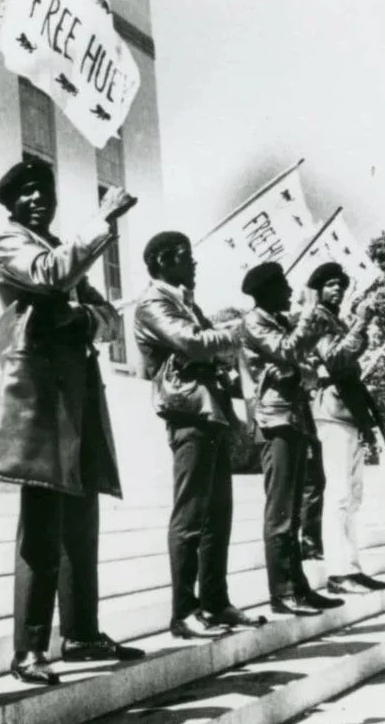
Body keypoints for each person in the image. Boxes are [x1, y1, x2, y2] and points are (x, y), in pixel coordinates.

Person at [0, 161, 144, 686]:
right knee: (42, 527)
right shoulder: (11, 244)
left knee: (81, 524)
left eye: (43, 191)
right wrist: (101, 221)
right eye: (25, 192)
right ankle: (28, 649)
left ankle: (81, 634)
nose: (36, 199)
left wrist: (79, 315)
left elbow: (110, 321)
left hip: (76, 401)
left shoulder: (60, 250)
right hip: (40, 401)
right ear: (11, 204)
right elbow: (51, 275)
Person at [133, 231, 268, 639]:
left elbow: (211, 349)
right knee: (190, 515)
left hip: (210, 414)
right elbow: (192, 342)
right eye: (184, 256)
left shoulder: (185, 303)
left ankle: (215, 601)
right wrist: (238, 332)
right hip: (187, 413)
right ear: (160, 261)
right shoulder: (154, 302)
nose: (193, 263)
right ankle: (183, 611)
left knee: (218, 516)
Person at [240, 261, 343, 616]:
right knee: (281, 509)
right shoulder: (255, 321)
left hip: (295, 417)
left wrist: (298, 367)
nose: (289, 291)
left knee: (295, 509)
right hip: (276, 420)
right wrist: (310, 325)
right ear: (266, 291)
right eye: (283, 285)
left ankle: (298, 587)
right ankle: (282, 591)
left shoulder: (280, 322)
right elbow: (287, 352)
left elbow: (308, 369)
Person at [307, 262, 385, 594]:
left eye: (341, 285)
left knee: (352, 496)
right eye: (331, 285)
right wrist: (361, 321)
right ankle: (339, 573)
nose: (338, 290)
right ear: (317, 289)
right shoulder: (316, 318)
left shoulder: (333, 320)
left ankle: (351, 568)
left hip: (347, 412)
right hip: (331, 412)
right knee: (340, 494)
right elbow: (336, 360)